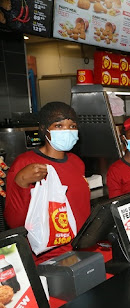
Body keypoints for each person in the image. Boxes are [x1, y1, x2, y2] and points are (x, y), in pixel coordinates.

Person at [5, 102, 90, 264]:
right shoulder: (27, 164)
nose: (67, 131)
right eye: (59, 125)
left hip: (80, 251)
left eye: (72, 126)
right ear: (44, 129)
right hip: (46, 257)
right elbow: (14, 222)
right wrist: (21, 182)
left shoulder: (76, 162)